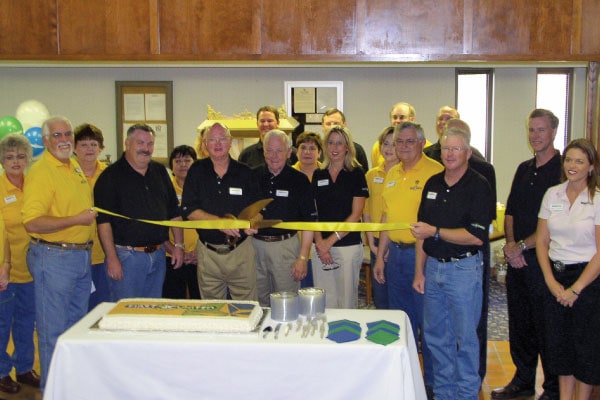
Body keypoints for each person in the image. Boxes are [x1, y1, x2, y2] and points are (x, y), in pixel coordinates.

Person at [412, 125, 493, 400]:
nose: (450, 153)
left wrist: (435, 231)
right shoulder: (433, 183)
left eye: (456, 148)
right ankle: (445, 393)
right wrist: (418, 271)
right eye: (446, 148)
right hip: (433, 268)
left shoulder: (479, 185)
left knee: (465, 339)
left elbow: (476, 236)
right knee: (436, 338)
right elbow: (420, 231)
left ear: (468, 153)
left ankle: (467, 394)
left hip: (464, 269)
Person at [23, 116, 97, 390]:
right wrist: (76, 220)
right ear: (44, 141)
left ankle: (70, 388)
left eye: (67, 133)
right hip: (53, 259)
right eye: (57, 135)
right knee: (52, 332)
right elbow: (32, 222)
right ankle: (52, 391)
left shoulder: (74, 165)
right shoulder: (42, 172)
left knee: (74, 329)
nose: (64, 139)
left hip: (79, 258)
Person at [491, 109, 561, 400]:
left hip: (545, 261)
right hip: (517, 258)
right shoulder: (523, 168)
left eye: (541, 130)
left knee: (546, 325)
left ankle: (553, 388)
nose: (535, 136)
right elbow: (511, 212)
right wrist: (510, 245)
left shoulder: (561, 170)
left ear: (554, 132)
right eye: (531, 130)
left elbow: (554, 223)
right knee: (520, 324)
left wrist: (521, 246)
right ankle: (522, 381)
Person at [373, 122, 443, 397]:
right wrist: (380, 257)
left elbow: (431, 221)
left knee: (429, 323)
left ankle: (433, 384)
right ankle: (406, 379)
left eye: (409, 141)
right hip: (396, 257)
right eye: (398, 141)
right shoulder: (392, 174)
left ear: (422, 143)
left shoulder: (435, 172)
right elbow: (388, 218)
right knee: (401, 322)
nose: (402, 146)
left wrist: (420, 268)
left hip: (423, 258)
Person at [536, 138, 600, 400]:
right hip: (556, 277)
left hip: (587, 280)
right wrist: (551, 282)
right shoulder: (553, 194)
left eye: (580, 161)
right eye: (569, 160)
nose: (572, 165)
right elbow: (541, 241)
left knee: (584, 349)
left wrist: (575, 289)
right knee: (560, 347)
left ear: (592, 167)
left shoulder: (596, 199)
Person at [95, 123, 184, 301]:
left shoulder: (160, 172)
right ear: (127, 143)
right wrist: (112, 259)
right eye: (140, 143)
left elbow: (174, 212)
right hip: (127, 258)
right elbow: (103, 223)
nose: (146, 148)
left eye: (150, 144)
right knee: (125, 315)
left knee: (150, 314)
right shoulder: (110, 177)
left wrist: (179, 246)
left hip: (158, 256)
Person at [181, 122, 260, 300]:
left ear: (230, 141)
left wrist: (254, 221)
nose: (217, 144)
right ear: (204, 143)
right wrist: (219, 223)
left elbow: (258, 208)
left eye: (222, 139)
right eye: (212, 140)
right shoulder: (196, 170)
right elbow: (188, 209)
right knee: (212, 311)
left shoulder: (245, 172)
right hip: (208, 254)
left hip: (241, 252)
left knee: (246, 308)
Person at [253, 130, 315, 306]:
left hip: (286, 248)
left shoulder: (300, 180)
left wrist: (302, 258)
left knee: (286, 302)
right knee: (258, 302)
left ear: (289, 152)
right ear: (263, 151)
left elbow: (309, 223)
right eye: (269, 150)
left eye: (279, 150)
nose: (274, 156)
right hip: (255, 247)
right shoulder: (252, 176)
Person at [312, 125, 369, 308]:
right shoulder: (318, 174)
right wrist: (321, 243)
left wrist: (329, 241)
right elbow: (314, 213)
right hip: (320, 247)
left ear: (347, 147)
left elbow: (356, 215)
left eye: (339, 143)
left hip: (347, 246)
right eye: (330, 143)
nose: (335, 148)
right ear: (325, 146)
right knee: (324, 300)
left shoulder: (356, 174)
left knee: (346, 300)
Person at [0, 134, 39, 394]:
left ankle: (24, 368)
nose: (16, 161)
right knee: (3, 323)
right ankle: (2, 371)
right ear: (2, 160)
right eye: (9, 156)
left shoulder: (34, 184)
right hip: (6, 269)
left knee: (27, 322)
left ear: (27, 158)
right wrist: (3, 265)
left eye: (20, 156)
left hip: (33, 268)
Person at [73, 123, 109, 311]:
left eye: (94, 144)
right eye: (84, 144)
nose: (89, 149)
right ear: (74, 148)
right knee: (77, 310)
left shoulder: (110, 174)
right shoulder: (66, 173)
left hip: (104, 254)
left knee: (102, 308)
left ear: (101, 148)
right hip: (74, 252)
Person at [363, 126, 399, 309]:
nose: (389, 148)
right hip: (375, 240)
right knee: (380, 293)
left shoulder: (405, 175)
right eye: (385, 143)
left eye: (394, 144)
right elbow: (366, 210)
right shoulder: (371, 175)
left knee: (398, 293)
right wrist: (371, 244)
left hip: (397, 242)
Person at [162, 145, 200, 299]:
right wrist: (174, 250)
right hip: (171, 255)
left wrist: (199, 252)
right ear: (171, 165)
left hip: (199, 256)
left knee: (200, 303)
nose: (183, 164)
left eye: (187, 160)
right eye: (178, 161)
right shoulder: (164, 188)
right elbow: (157, 225)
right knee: (173, 302)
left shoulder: (201, 189)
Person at [292, 131, 323, 287]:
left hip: (323, 242)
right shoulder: (288, 175)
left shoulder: (327, 174)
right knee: (298, 286)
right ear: (296, 152)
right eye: (303, 148)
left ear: (320, 153)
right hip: (294, 242)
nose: (307, 152)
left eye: (312, 148)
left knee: (319, 289)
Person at [371, 102, 417, 167]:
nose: (397, 121)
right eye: (395, 117)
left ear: (412, 120)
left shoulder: (423, 146)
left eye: (402, 117)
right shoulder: (378, 146)